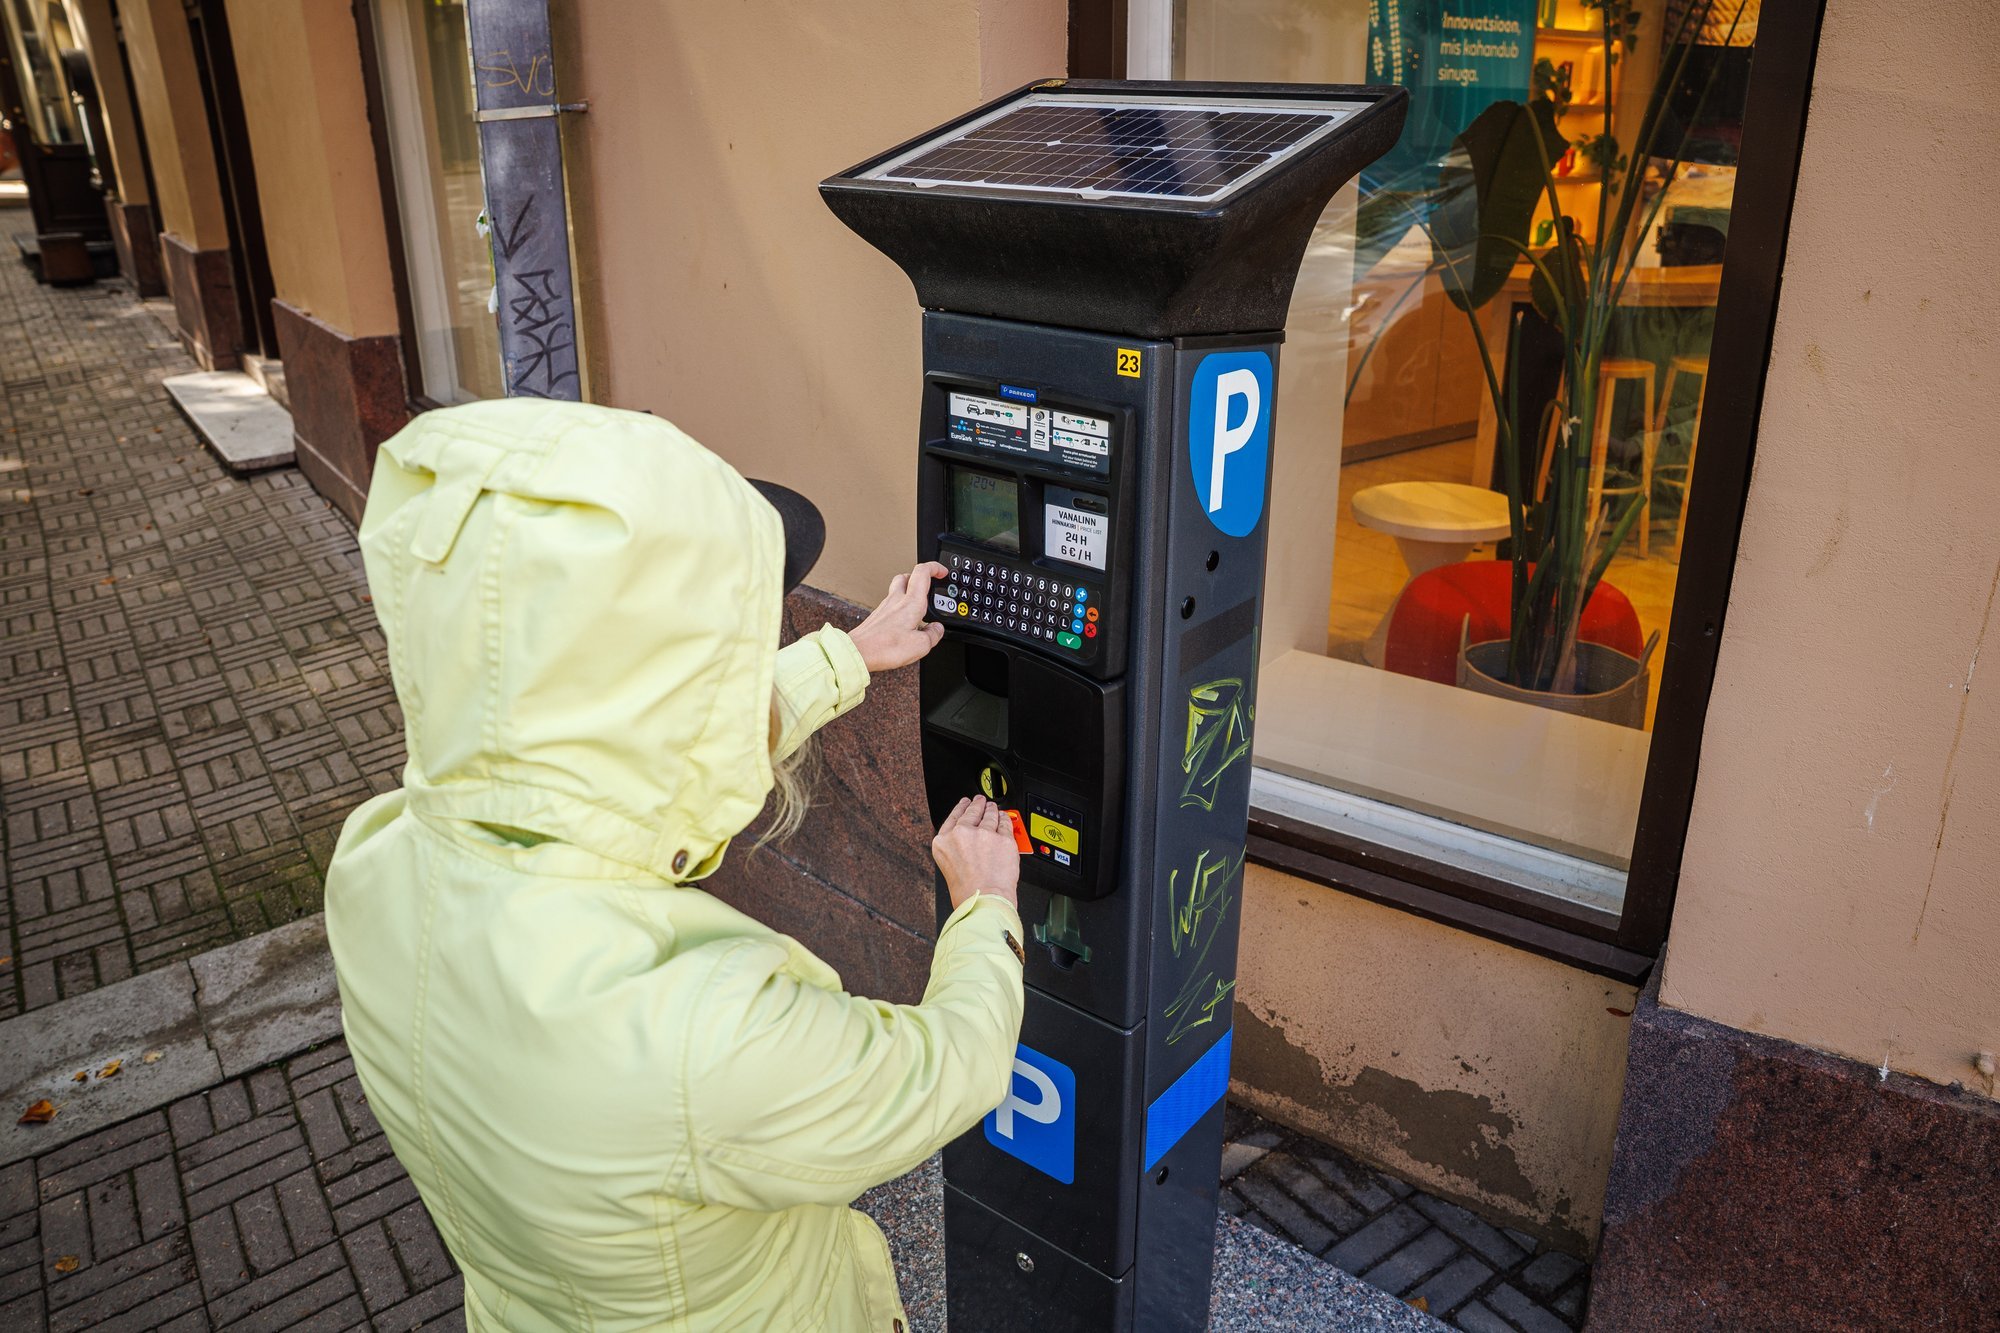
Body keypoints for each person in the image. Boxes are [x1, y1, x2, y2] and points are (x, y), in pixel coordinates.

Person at [325, 399, 1027, 1331]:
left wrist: (841, 660)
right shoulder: (703, 1030)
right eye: (718, 658)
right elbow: (942, 1070)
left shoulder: (376, 860)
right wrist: (983, 910)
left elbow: (593, 748)